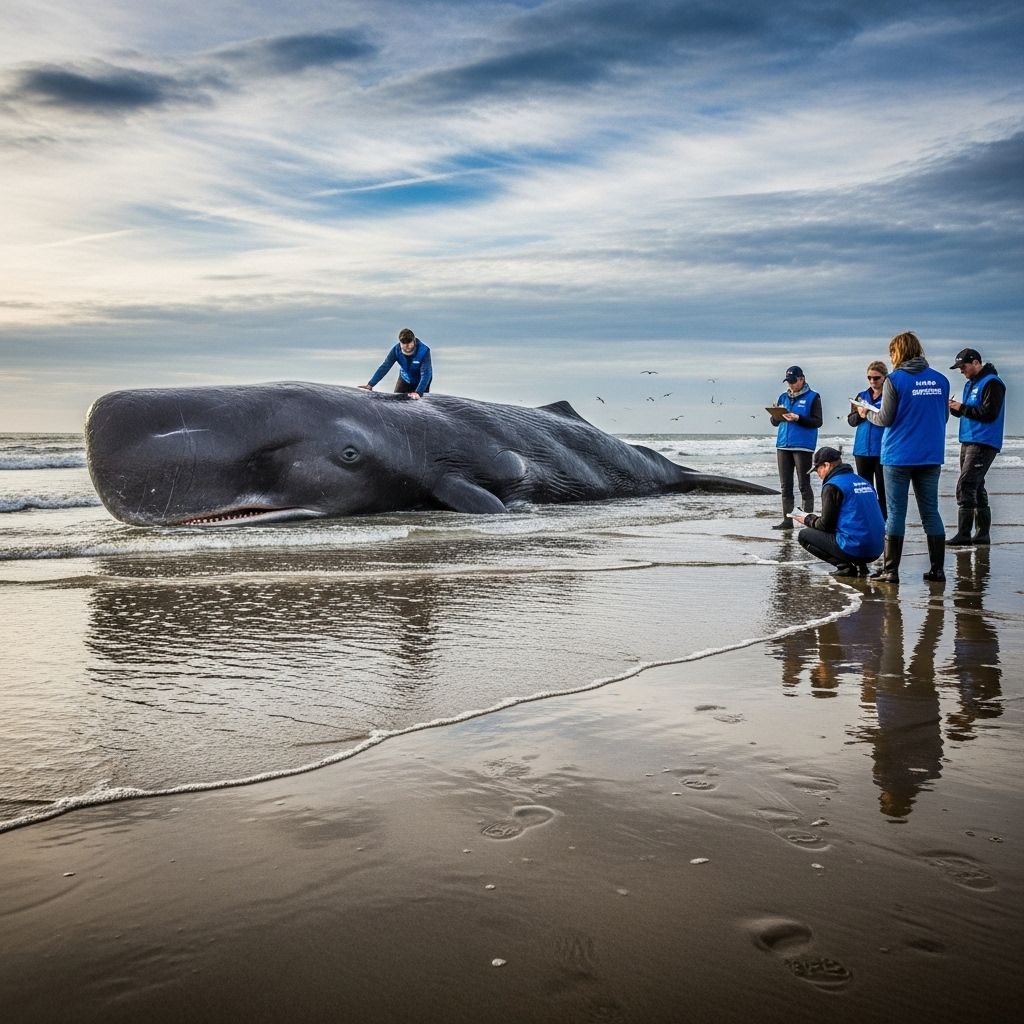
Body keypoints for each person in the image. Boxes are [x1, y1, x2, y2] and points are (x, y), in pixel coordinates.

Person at [865, 332, 950, 583]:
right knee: (931, 512)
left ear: (898, 352)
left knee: (896, 513)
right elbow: (943, 417)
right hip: (930, 454)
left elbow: (885, 418)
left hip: (898, 455)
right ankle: (937, 570)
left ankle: (891, 571)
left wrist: (866, 413)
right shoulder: (941, 380)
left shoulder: (895, 380)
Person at [792, 446, 884, 576]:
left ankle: (845, 567)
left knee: (804, 535)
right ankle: (861, 566)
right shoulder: (863, 481)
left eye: (818, 469)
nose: (819, 475)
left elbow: (826, 526)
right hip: (877, 548)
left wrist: (807, 519)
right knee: (853, 521)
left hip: (857, 549)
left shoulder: (832, 485)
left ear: (827, 465)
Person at [946, 347, 1006, 546]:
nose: (961, 371)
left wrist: (962, 408)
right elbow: (972, 411)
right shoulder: (971, 384)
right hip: (969, 439)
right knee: (977, 486)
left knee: (966, 485)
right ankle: (982, 534)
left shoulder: (992, 383)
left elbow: (989, 414)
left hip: (983, 442)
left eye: (963, 366)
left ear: (976, 363)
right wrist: (956, 409)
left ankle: (964, 534)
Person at [768, 365, 822, 529]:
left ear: (802, 379)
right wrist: (775, 414)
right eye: (788, 381)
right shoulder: (783, 397)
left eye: (793, 381)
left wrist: (798, 418)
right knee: (785, 486)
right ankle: (787, 521)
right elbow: (775, 422)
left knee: (804, 485)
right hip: (783, 445)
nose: (790, 384)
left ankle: (808, 522)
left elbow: (817, 421)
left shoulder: (813, 397)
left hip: (803, 446)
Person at [847, 361, 887, 518]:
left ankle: (885, 521)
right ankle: (868, 520)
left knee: (883, 490)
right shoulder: (862, 396)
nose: (872, 381)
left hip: (883, 449)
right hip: (862, 449)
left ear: (884, 377)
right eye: (869, 378)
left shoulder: (889, 396)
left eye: (876, 378)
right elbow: (851, 421)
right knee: (865, 489)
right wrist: (861, 415)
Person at [360, 329, 432, 399]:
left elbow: (426, 373)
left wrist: (418, 392)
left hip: (422, 381)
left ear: (414, 341)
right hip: (404, 379)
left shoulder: (424, 351)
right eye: (403, 343)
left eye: (409, 343)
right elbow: (385, 367)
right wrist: (370, 385)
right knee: (396, 401)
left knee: (418, 401)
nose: (407, 346)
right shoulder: (396, 350)